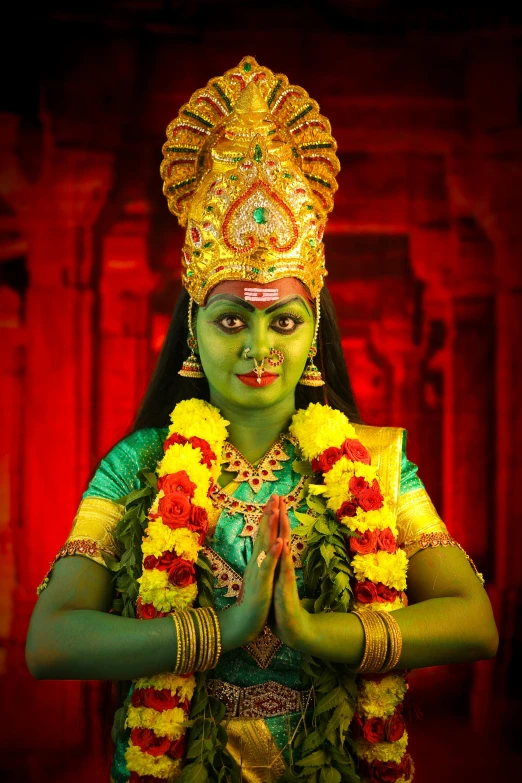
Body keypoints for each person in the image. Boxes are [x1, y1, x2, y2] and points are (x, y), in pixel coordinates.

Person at [26, 57, 498, 783]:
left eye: (282, 319)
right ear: (193, 324)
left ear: (314, 331)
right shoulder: (140, 467)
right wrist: (221, 631)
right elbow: (50, 642)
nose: (257, 347)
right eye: (229, 318)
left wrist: (315, 631)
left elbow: (474, 621)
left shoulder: (373, 464)